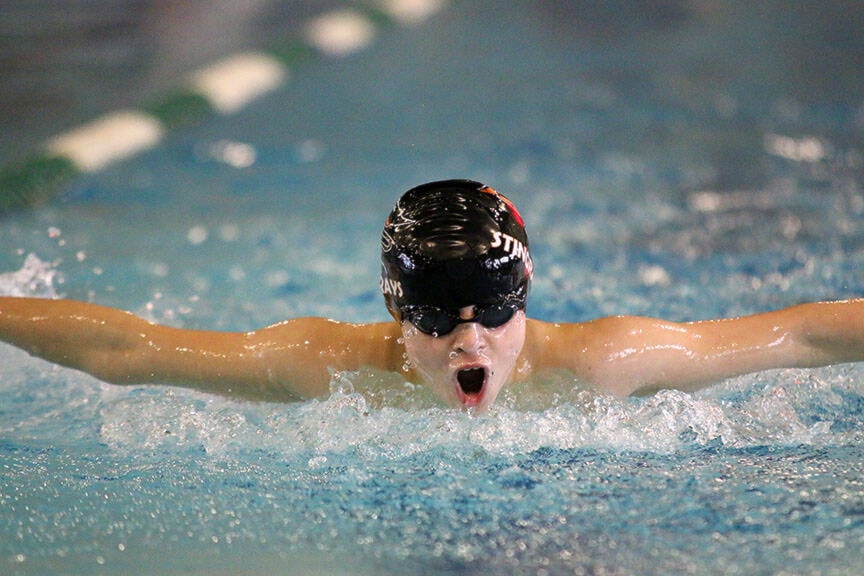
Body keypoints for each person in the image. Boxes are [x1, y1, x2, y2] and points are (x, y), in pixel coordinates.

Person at [0, 179, 862, 413]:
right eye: (435, 316)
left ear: (525, 301)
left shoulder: (605, 364)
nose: (469, 344)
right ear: (390, 311)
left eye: (492, 313)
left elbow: (798, 338)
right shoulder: (323, 367)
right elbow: (132, 352)